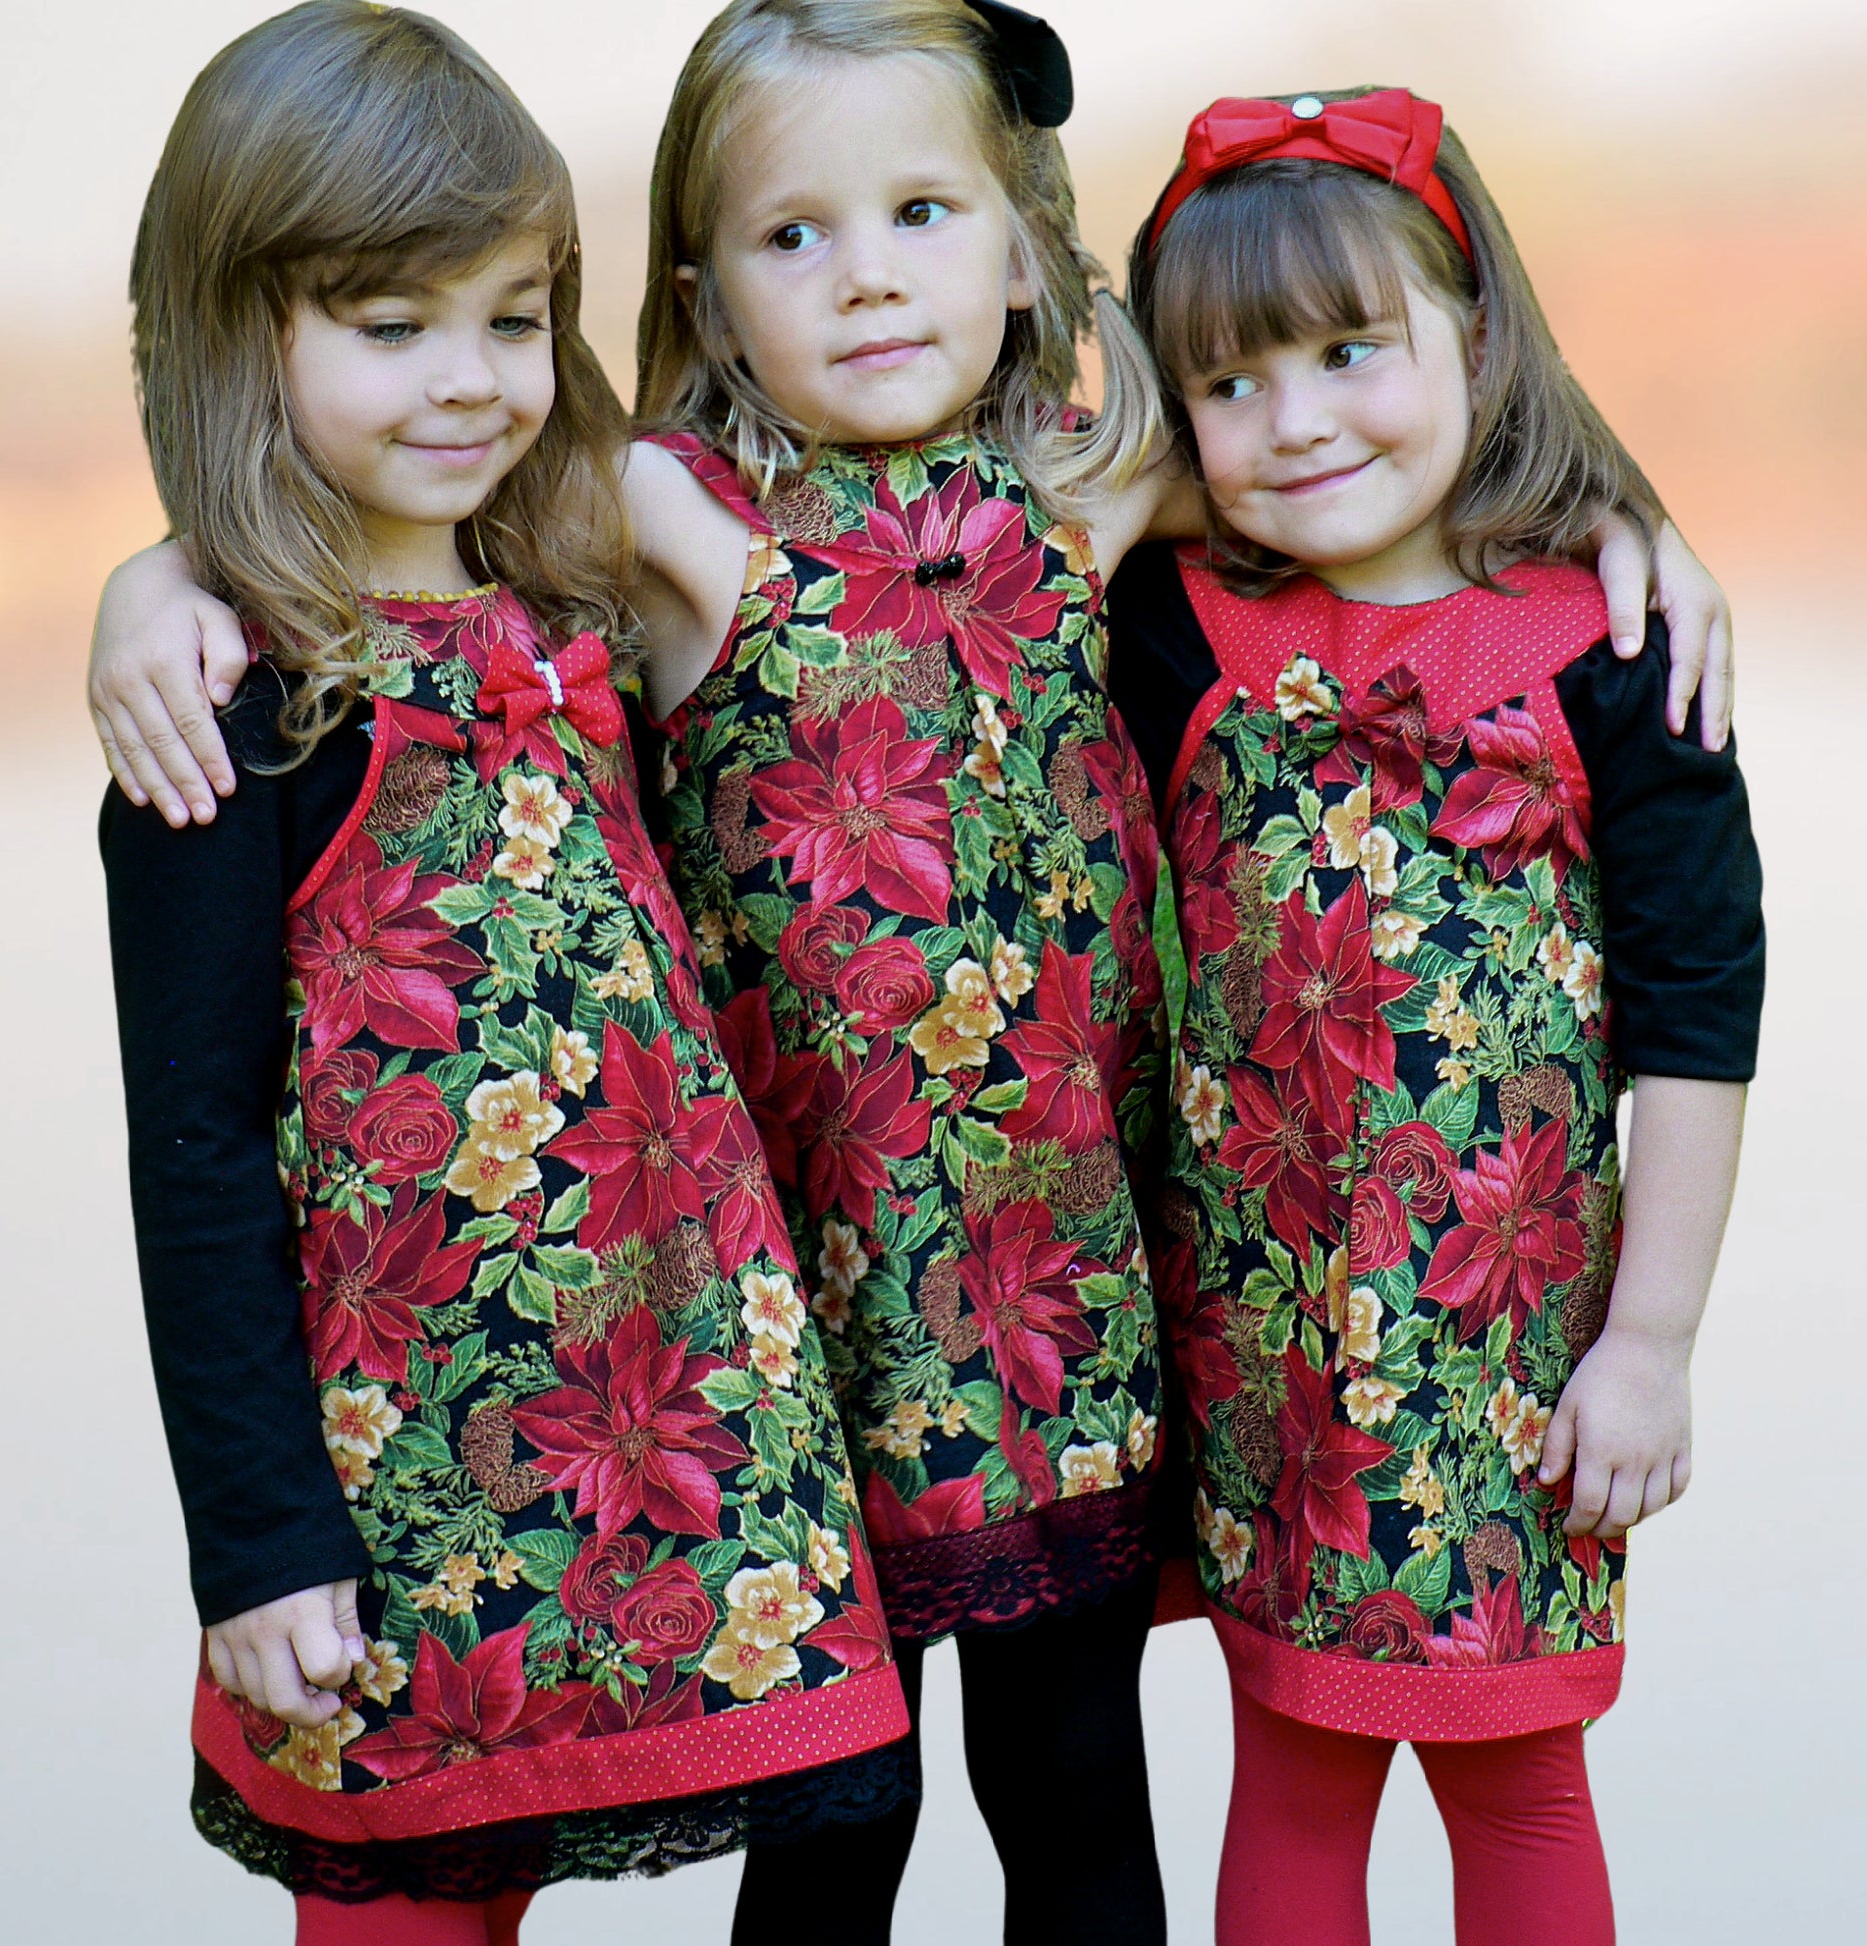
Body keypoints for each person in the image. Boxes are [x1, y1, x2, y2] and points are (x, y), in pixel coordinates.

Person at [85, 10, 1735, 1942]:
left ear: (1022, 250)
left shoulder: (1100, 484)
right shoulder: (665, 518)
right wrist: (166, 580)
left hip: (1075, 1322)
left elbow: (1378, 481)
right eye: (793, 237)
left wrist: (1636, 528)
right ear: (698, 289)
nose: (866, 272)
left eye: (924, 211)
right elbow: (385, 522)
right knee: (833, 1843)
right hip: (802, 1331)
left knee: (1073, 1795)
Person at [98, 9, 912, 1943]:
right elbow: (192, 1145)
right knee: (415, 1890)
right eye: (393, 326)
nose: (474, 380)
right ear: (239, 333)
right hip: (402, 1461)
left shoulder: (576, 589)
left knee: (845, 1800)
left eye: (516, 317)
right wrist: (259, 1539)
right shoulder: (230, 702)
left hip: (696, 1396)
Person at [1108, 86, 1762, 1946]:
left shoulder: (1618, 650)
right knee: (1286, 1769)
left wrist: (1651, 1340)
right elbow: (1013, 547)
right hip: (1266, 1343)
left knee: (1517, 1777)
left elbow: (1700, 1021)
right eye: (1229, 383)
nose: (1298, 420)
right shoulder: (1172, 631)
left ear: (1472, 332)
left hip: (1512, 1360)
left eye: (1348, 352)